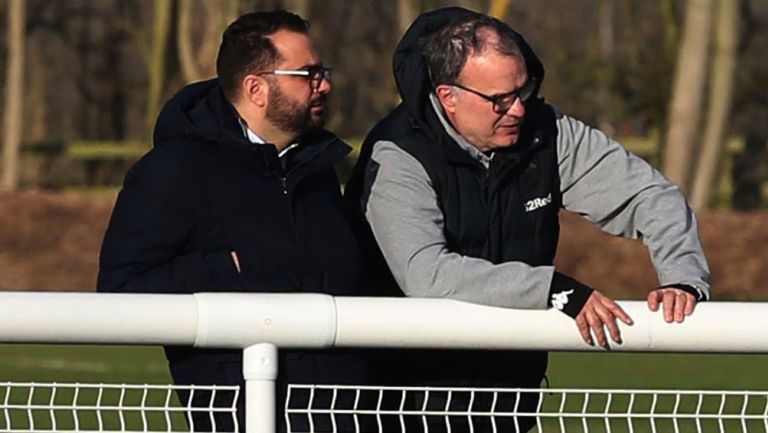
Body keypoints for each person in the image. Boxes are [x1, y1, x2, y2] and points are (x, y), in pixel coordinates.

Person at [345, 7, 710, 432]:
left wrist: (683, 278)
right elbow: (426, 274)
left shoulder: (546, 130)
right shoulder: (396, 155)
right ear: (448, 97)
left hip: (512, 396)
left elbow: (651, 194)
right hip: (400, 401)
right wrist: (553, 289)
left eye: (523, 89)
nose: (518, 109)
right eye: (499, 99)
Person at [97, 10, 365, 432]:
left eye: (323, 71)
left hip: (342, 416)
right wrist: (227, 267)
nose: (325, 85)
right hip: (240, 415)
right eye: (308, 74)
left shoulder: (320, 170)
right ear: (256, 88)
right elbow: (120, 294)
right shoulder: (173, 170)